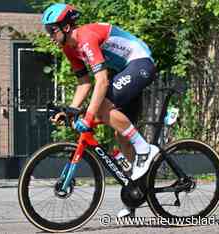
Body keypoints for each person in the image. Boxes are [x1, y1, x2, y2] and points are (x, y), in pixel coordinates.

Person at [42, 3, 159, 217]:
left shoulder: (85, 37)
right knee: (121, 134)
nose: (49, 35)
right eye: (47, 31)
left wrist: (87, 116)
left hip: (140, 63)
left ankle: (146, 150)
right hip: (125, 71)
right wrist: (70, 110)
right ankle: (136, 193)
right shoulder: (68, 47)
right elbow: (84, 83)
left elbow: (102, 81)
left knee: (101, 110)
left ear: (66, 27)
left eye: (52, 30)